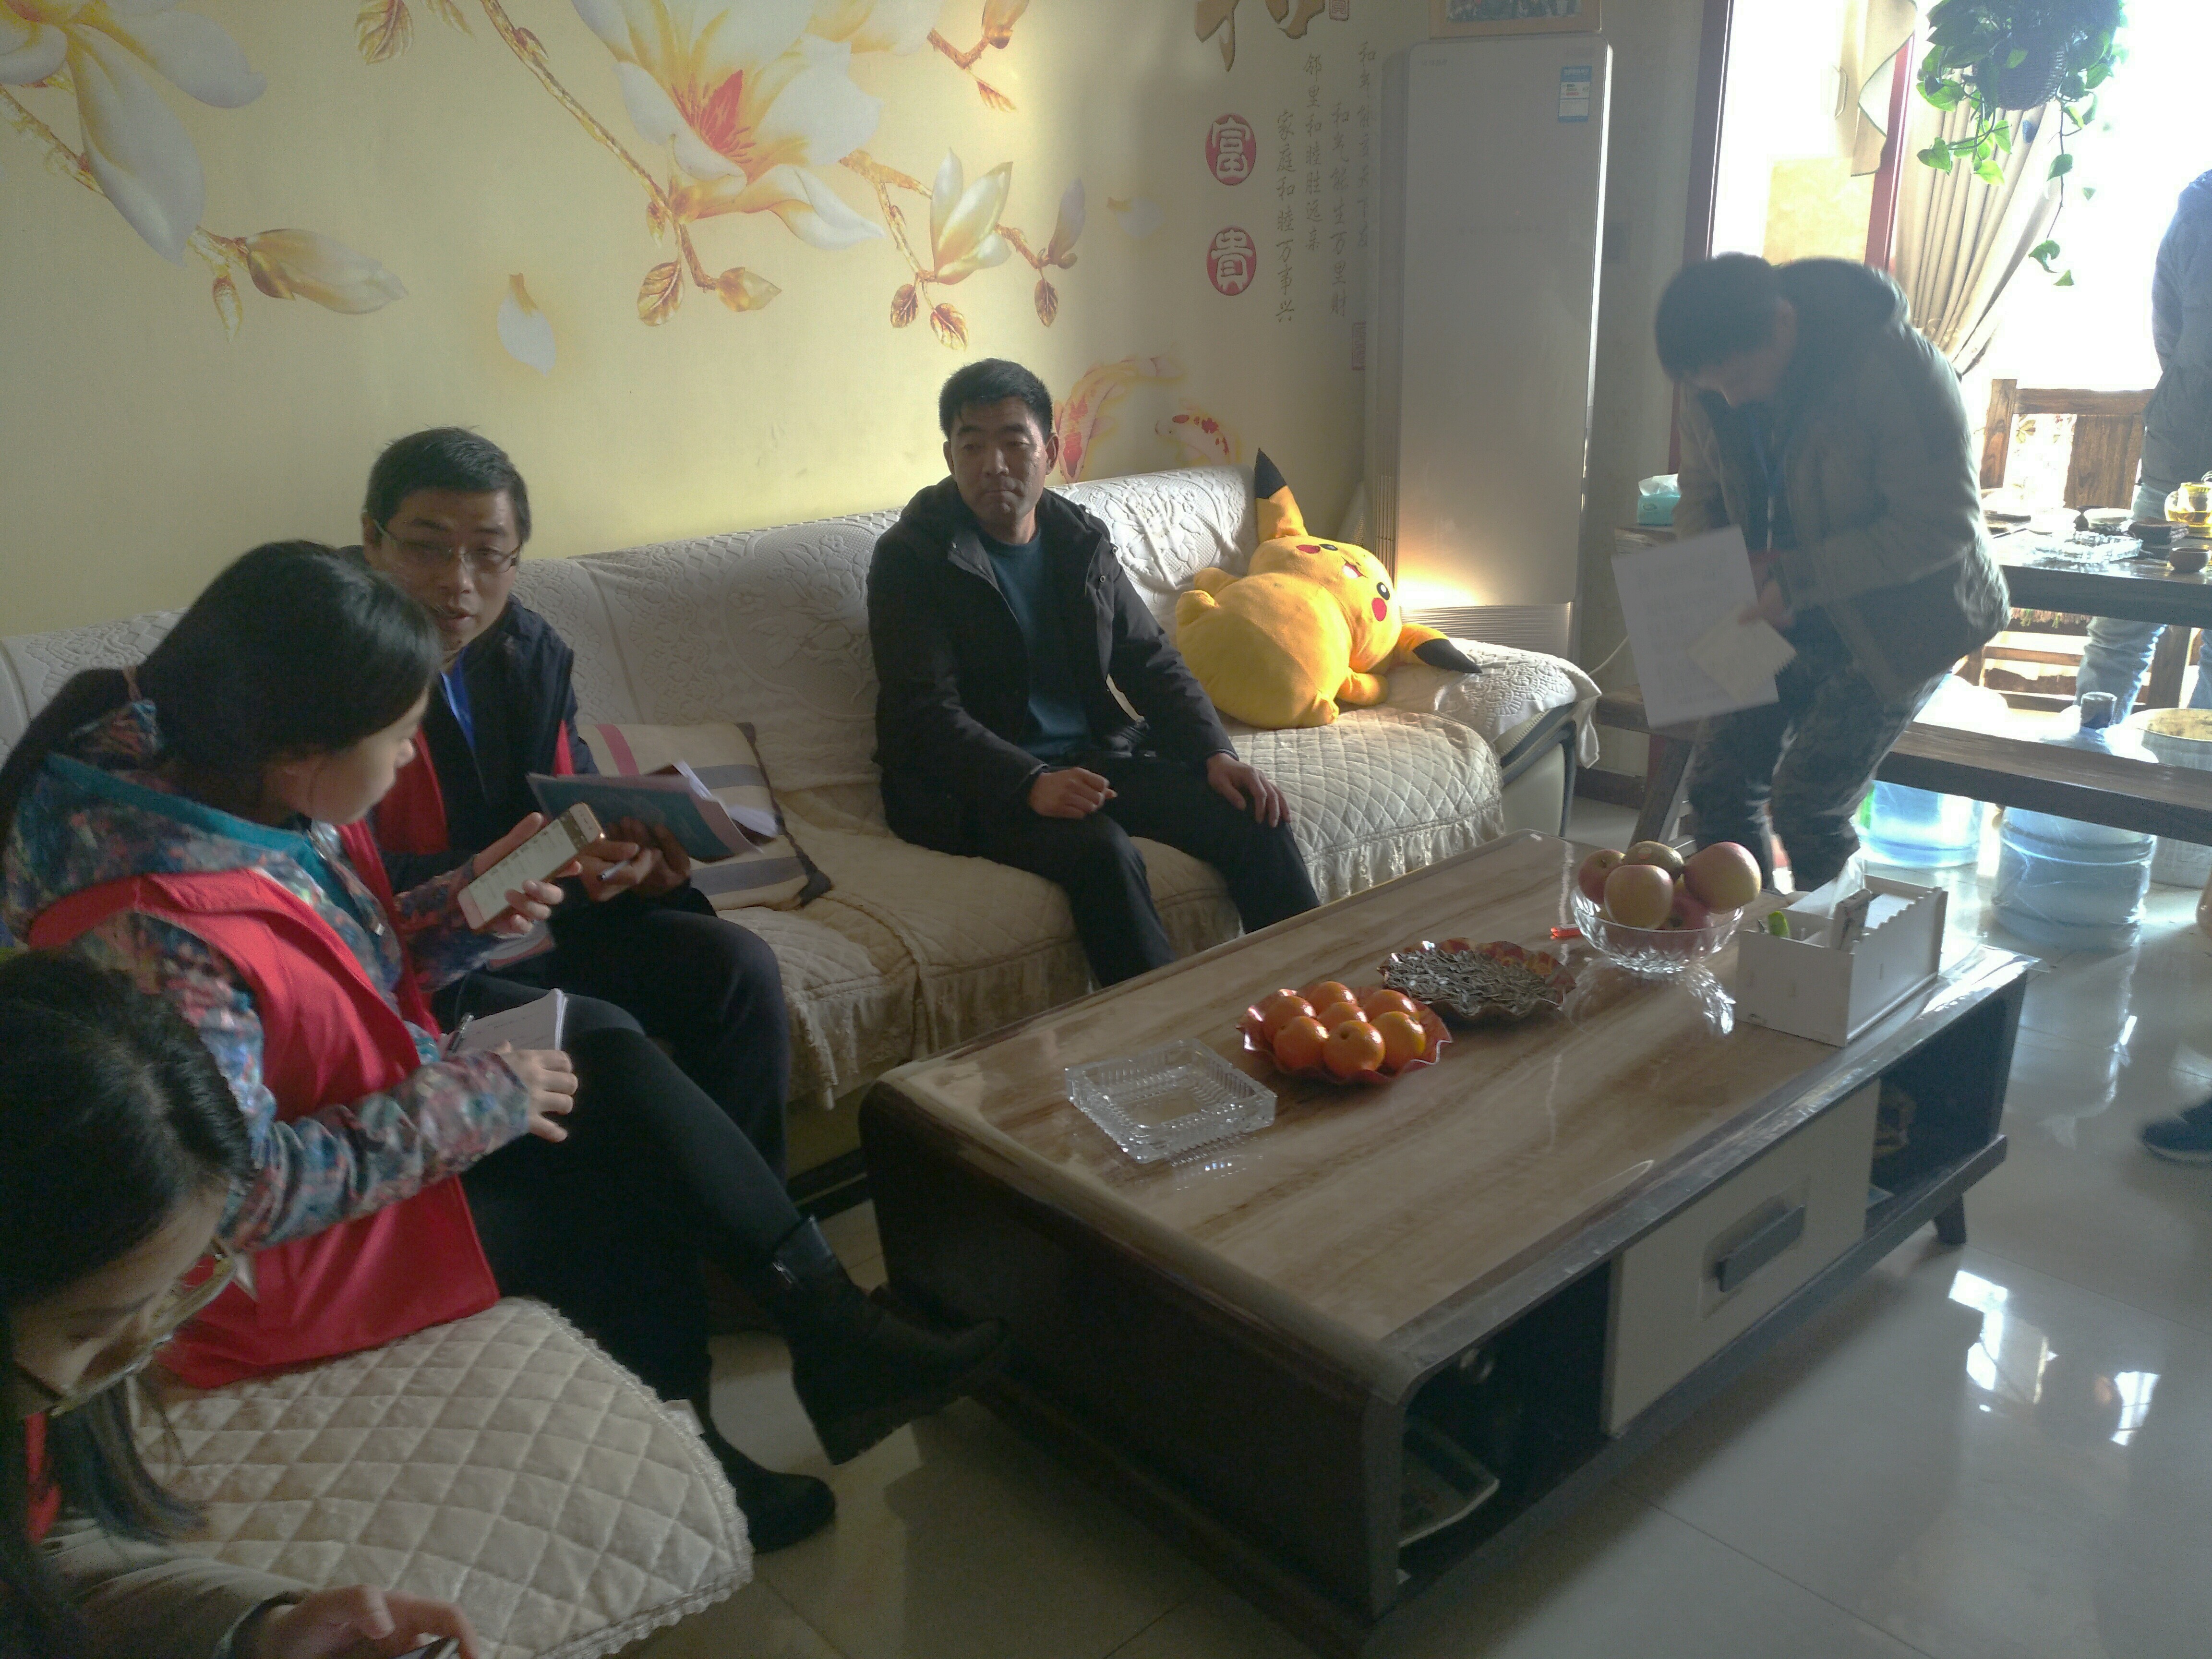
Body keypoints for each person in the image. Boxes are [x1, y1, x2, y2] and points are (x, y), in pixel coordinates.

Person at [0, 545, 1003, 1556]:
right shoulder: (149, 930)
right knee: (614, 1192)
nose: (406, 761)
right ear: (303, 748)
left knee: (604, 1044)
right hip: (275, 1271)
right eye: (399, 738)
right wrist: (476, 1103)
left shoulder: (235, 783)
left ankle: (831, 1330)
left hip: (365, 1117)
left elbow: (331, 961)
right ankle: (698, 1453)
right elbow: (231, 1196)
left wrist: (466, 911)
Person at [1, 950, 481, 1659]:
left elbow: (48, 1553)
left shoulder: (43, 1396)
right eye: (95, 1328)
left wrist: (263, 1630)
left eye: (174, 1290)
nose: (146, 1344)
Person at [353, 428, 790, 1178]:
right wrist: (517, 866)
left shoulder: (529, 650)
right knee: (601, 1037)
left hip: (555, 925)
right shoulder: (336, 662)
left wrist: (635, 867)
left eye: (487, 553)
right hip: (429, 961)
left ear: (516, 557)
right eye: (427, 548)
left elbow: (572, 804)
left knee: (737, 967)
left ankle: (750, 1224)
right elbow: (335, 874)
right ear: (372, 540)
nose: (459, 582)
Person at [868, 359, 1320, 985]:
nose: (993, 464)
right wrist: (1028, 781)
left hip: (1090, 759)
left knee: (1251, 813)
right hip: (969, 786)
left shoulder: (1077, 539)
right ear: (950, 456)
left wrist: (1214, 753)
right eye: (972, 446)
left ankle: (1321, 1003)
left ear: (1049, 452)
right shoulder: (912, 557)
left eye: (1014, 442)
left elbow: (1151, 661)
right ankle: (1161, 1030)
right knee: (1103, 852)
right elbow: (924, 713)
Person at [1655, 254, 2009, 891]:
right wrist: (1716, 574)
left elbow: (1941, 526)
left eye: (1740, 378)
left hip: (1901, 612)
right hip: (1777, 603)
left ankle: (1831, 948)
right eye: (1711, 388)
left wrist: (1795, 580)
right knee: (1718, 789)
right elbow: (1700, 497)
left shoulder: (1895, 368)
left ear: (1784, 323)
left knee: (1806, 806)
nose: (1730, 398)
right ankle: (1742, 940)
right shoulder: (1714, 380)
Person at [2077, 170, 2212, 720]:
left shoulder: (2197, 208)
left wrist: (2189, 387)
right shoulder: (2197, 208)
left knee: (2124, 624)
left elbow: (2169, 331)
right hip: (2179, 449)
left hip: (2179, 444)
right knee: (2125, 622)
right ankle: (2192, 772)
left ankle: (2086, 757)